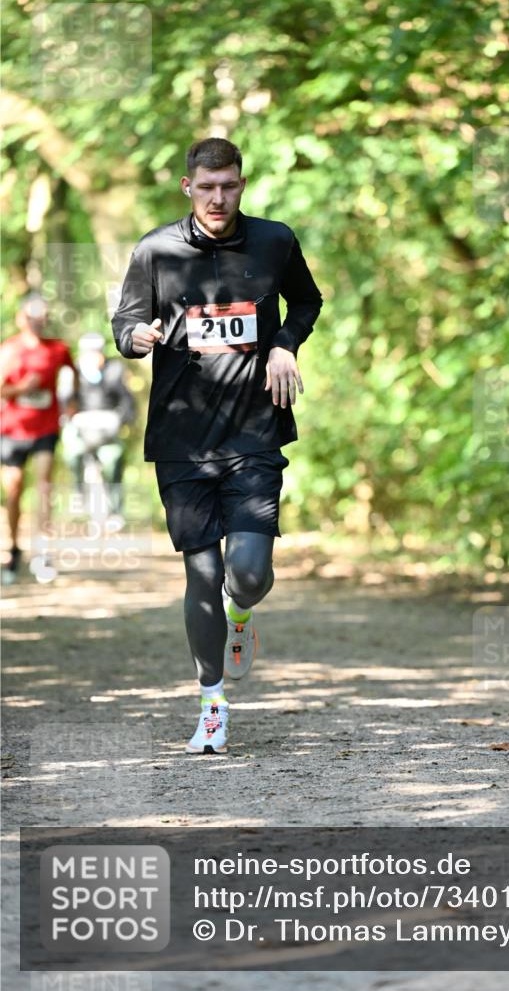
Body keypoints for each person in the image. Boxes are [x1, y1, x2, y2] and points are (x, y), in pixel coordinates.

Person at [111, 137, 322, 754]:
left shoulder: (274, 240)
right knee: (201, 572)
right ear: (188, 187)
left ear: (242, 184)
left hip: (254, 430)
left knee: (247, 574)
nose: (218, 198)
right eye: (206, 187)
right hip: (181, 438)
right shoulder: (156, 250)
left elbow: (307, 300)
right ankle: (211, 704)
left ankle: (241, 613)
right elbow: (124, 320)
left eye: (228, 185)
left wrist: (283, 344)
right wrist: (136, 337)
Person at [0, 292, 78, 583]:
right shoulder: (9, 350)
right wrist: (21, 388)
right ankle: (13, 550)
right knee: (14, 491)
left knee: (45, 486)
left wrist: (72, 403)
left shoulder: (58, 349)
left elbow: (72, 373)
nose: (38, 322)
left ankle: (43, 553)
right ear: (21, 318)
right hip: (12, 430)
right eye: (33, 317)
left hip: (45, 428)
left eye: (43, 317)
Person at [61, 332, 136, 522]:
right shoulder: (73, 372)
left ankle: (116, 511)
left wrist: (119, 421)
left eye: (97, 352)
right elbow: (64, 403)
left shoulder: (115, 370)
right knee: (72, 454)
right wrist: (72, 418)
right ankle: (79, 495)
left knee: (113, 460)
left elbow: (127, 402)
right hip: (80, 427)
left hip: (108, 429)